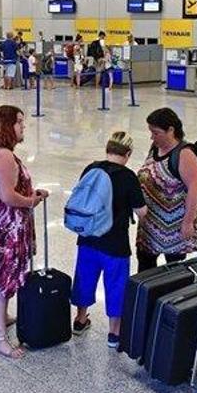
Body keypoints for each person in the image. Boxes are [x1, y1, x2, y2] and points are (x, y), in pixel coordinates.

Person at [0, 105, 48, 360]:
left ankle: (2, 317)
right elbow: (7, 196)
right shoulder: (3, 156)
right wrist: (31, 201)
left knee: (1, 279)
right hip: (2, 232)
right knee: (0, 280)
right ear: (7, 126)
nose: (23, 127)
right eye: (18, 122)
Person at [70, 132, 148, 348]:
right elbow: (141, 212)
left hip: (88, 238)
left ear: (108, 149)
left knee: (84, 279)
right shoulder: (128, 176)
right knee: (115, 286)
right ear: (128, 153)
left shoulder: (91, 168)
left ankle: (80, 319)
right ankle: (114, 333)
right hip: (115, 244)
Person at [135, 108, 197, 272]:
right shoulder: (155, 147)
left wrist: (188, 222)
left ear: (171, 130)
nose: (152, 136)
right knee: (144, 268)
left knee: (172, 272)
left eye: (156, 133)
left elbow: (195, 187)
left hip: (174, 228)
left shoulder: (185, 154)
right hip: (149, 226)